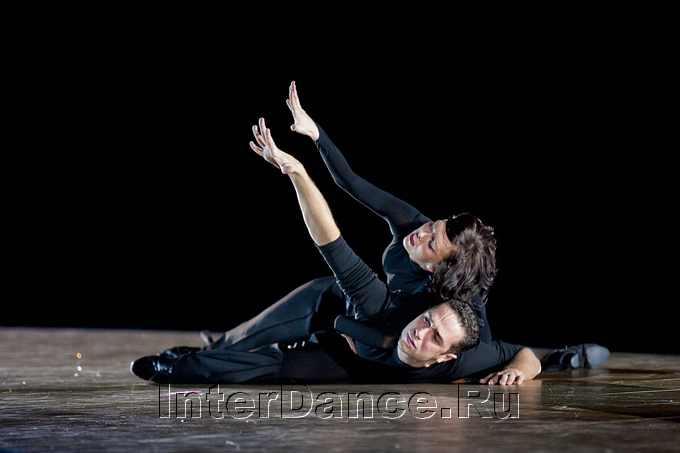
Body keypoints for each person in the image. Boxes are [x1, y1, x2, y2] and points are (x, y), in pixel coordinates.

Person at [129, 119, 585, 385]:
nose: (421, 233)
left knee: (282, 364)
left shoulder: (459, 333)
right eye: (433, 226)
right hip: (360, 314)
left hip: (372, 344)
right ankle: (211, 350)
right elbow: (338, 229)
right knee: (284, 321)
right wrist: (314, 139)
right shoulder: (398, 287)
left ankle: (193, 365)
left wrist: (525, 367)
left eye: (432, 241)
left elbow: (514, 352)